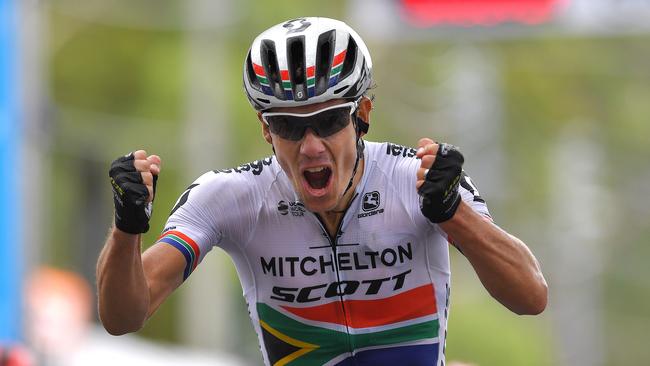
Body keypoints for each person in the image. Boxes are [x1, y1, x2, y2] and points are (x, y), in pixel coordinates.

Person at [97, 17, 547, 366]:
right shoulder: (230, 196)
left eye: (330, 121)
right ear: (266, 130)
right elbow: (123, 317)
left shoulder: (416, 181)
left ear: (362, 115)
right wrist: (126, 230)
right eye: (289, 126)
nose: (311, 146)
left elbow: (530, 296)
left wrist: (453, 214)